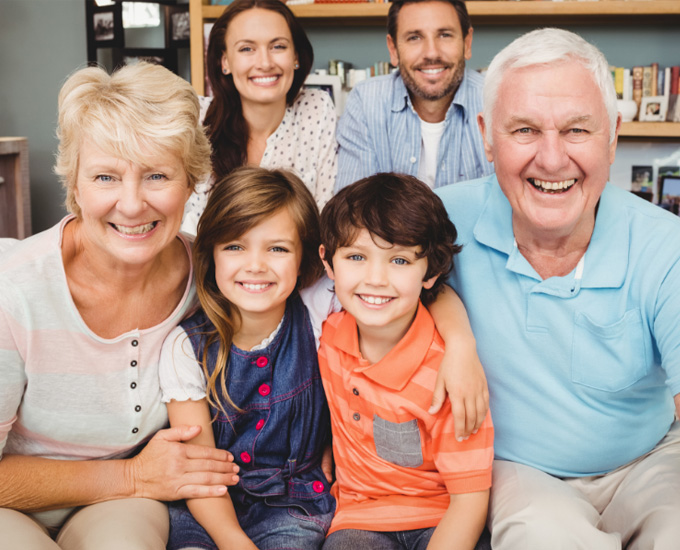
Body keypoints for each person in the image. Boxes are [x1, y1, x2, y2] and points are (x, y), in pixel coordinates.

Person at [435, 28, 680, 549]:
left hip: (650, 456)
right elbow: (356, 285)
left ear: (612, 134)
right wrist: (456, 335)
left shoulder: (667, 245)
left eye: (576, 130)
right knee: (543, 537)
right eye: (524, 130)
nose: (551, 160)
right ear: (485, 135)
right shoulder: (439, 221)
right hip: (523, 468)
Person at [0, 63, 238, 549]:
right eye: (106, 176)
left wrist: (444, 310)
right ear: (76, 186)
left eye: (156, 175)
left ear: (191, 181)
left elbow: (324, 294)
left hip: (122, 503)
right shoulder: (15, 290)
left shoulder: (214, 276)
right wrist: (132, 477)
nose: (131, 205)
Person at [159, 167, 335, 550]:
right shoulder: (184, 346)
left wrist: (459, 344)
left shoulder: (318, 309)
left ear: (305, 256)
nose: (255, 265)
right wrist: (236, 543)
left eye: (277, 248)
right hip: (204, 508)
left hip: (291, 508)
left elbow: (396, 293)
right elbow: (199, 472)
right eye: (235, 246)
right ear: (213, 255)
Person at [318, 173, 494, 550]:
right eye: (356, 257)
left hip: (442, 518)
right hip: (359, 520)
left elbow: (470, 499)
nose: (376, 278)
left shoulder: (450, 373)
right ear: (328, 262)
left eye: (399, 259)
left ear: (430, 271)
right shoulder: (329, 338)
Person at [181, 0, 337, 236]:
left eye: (278, 47)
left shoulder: (316, 108)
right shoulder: (196, 117)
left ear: (295, 55)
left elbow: (326, 222)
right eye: (246, 49)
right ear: (225, 62)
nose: (264, 63)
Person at [335, 0, 493, 191]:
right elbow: (354, 211)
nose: (431, 53)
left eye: (445, 35)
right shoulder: (365, 102)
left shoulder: (496, 99)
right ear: (393, 49)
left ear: (467, 43)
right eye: (414, 38)